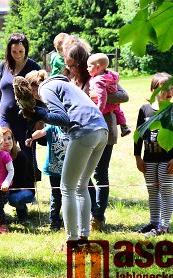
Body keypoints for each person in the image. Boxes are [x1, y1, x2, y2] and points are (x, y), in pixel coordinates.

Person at [13, 71, 108, 246]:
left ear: (33, 89)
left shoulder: (45, 88)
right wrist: (39, 113)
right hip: (102, 130)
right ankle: (83, 238)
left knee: (67, 188)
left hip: (84, 130)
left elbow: (62, 118)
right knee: (81, 185)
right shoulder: (66, 85)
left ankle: (71, 242)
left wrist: (36, 113)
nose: (36, 98)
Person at [64, 42, 129, 231]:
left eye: (72, 65)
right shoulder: (72, 80)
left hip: (103, 131)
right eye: (67, 65)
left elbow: (124, 96)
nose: (70, 69)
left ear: (82, 63)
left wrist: (99, 97)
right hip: (81, 134)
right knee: (82, 176)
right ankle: (89, 210)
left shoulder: (100, 76)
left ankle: (98, 217)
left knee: (100, 174)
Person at [134, 72, 173, 237]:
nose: (169, 91)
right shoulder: (145, 109)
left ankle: (164, 226)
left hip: (168, 159)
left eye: (171, 87)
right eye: (164, 88)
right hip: (149, 159)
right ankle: (154, 222)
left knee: (166, 190)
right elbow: (139, 134)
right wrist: (137, 157)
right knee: (153, 191)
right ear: (154, 90)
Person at [0, 33, 41, 179]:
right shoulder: (3, 66)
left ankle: (30, 189)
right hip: (5, 118)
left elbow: (40, 95)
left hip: (25, 119)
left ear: (26, 50)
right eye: (14, 52)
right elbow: (0, 91)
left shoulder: (33, 67)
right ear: (9, 51)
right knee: (2, 151)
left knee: (26, 154)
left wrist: (39, 120)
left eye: (21, 51)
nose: (17, 55)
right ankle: (4, 185)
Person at [87, 53, 131, 137]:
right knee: (118, 111)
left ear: (98, 67)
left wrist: (99, 110)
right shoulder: (110, 76)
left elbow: (102, 96)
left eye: (89, 66)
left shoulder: (98, 81)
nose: (87, 69)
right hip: (114, 104)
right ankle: (124, 126)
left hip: (104, 105)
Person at [2, 127, 35, 222]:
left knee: (13, 199)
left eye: (9, 138)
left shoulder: (20, 156)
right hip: (6, 188)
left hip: (24, 189)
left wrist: (5, 188)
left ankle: (22, 212)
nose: (7, 141)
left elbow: (22, 180)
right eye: (3, 139)